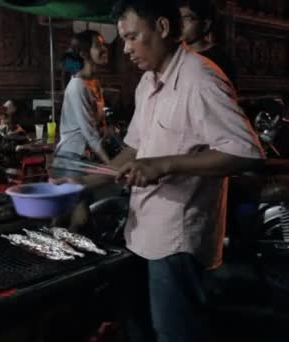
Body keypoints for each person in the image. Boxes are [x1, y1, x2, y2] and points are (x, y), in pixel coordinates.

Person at [55, 1, 264, 341]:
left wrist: (166, 164)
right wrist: (82, 183)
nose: (125, 49)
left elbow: (246, 153)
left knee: (176, 332)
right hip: (143, 229)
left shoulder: (200, 77)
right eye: (122, 39)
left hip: (177, 238)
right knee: (138, 326)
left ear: (163, 29)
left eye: (133, 36)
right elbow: (132, 152)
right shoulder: (147, 83)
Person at [56, 30, 111, 165]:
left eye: (103, 45)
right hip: (73, 157)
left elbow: (97, 122)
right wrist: (113, 167)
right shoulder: (77, 86)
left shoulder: (93, 83)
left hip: (86, 154)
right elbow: (89, 134)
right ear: (84, 54)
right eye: (98, 46)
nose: (104, 49)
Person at [179, 0, 236, 86]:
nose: (180, 24)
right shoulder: (177, 53)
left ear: (206, 25)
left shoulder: (218, 59)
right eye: (178, 18)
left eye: (187, 18)